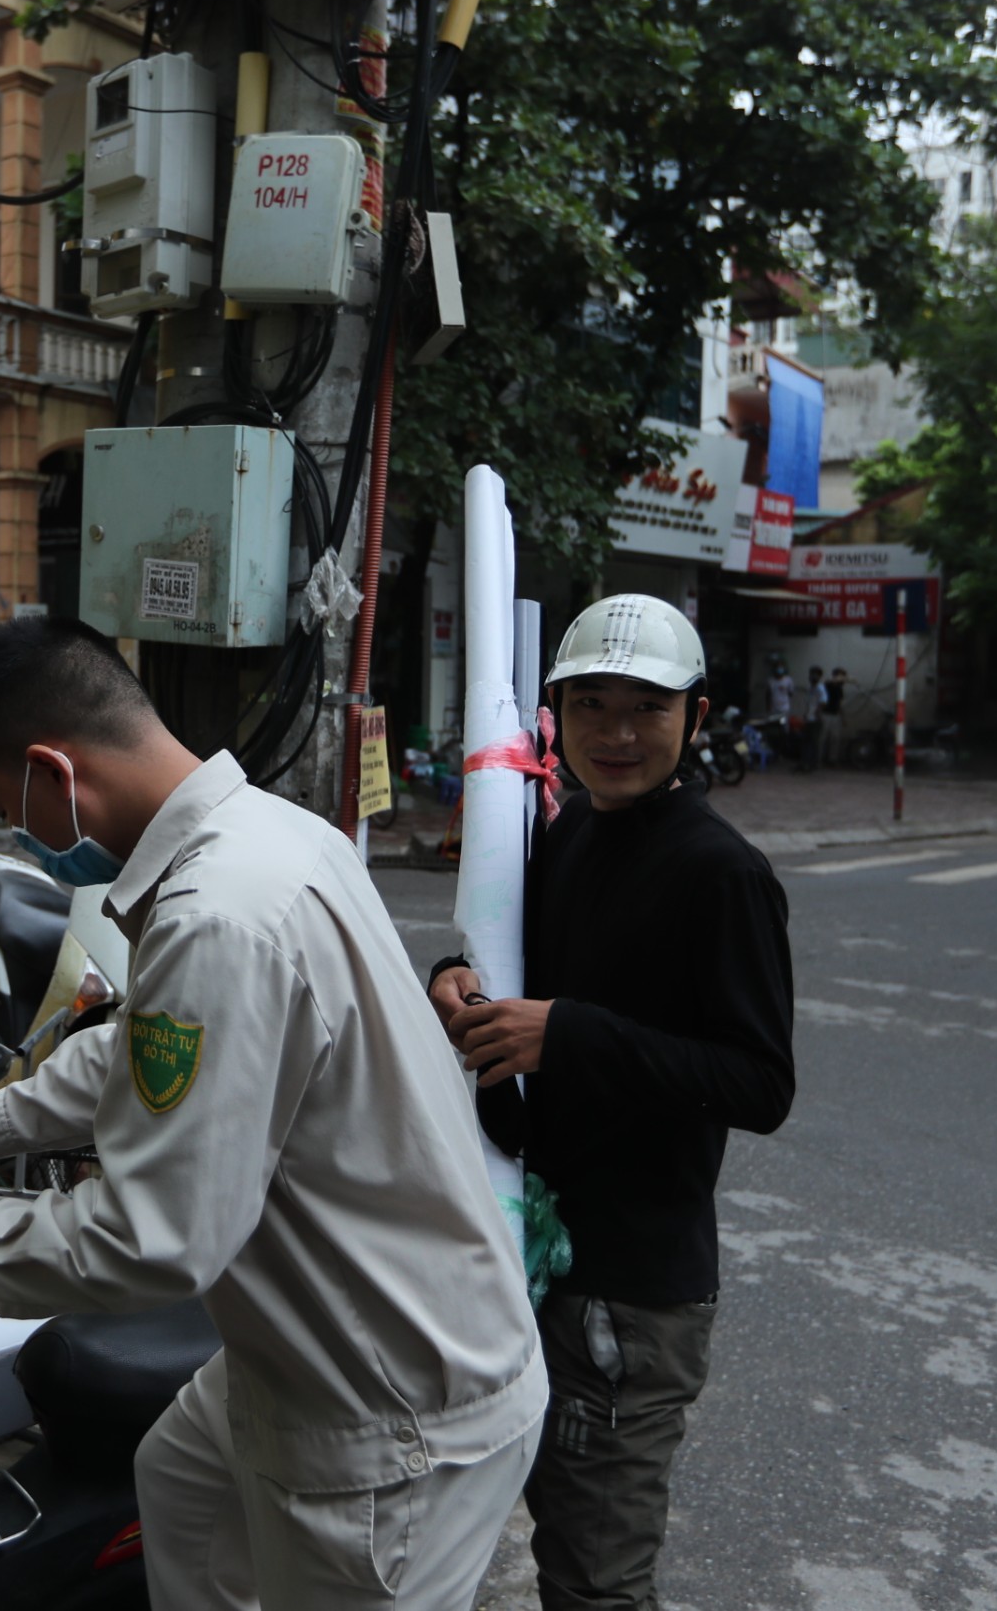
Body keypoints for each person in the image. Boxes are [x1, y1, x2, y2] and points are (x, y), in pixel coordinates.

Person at [0, 617, 544, 1610]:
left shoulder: (219, 911)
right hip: (319, 1347)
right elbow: (146, 1053)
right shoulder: (267, 831)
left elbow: (157, 1238)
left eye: (8, 808)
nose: (18, 839)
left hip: (392, 1413)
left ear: (56, 768)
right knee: (177, 1477)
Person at [429, 594, 794, 1611]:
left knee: (593, 1579)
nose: (617, 733)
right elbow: (517, 970)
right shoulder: (569, 828)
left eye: (646, 707)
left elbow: (760, 1082)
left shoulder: (721, 873)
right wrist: (454, 974)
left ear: (696, 714)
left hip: (630, 1293)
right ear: (555, 714)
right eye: (590, 704)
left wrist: (569, 1032)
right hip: (531, 1250)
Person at [818, 666, 849, 769]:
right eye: (841, 677)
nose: (843, 680)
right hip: (825, 714)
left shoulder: (840, 689)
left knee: (835, 739)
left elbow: (840, 704)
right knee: (822, 738)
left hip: (835, 715)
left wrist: (843, 718)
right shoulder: (827, 685)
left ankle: (832, 760)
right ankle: (819, 759)